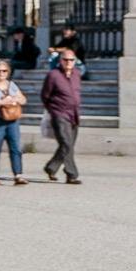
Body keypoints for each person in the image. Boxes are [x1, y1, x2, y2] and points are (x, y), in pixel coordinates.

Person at [40, 49, 83, 185]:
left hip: (74, 114)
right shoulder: (53, 75)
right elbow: (45, 95)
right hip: (59, 113)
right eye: (65, 60)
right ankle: (72, 174)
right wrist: (52, 110)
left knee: (69, 146)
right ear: (60, 61)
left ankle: (51, 167)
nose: (68, 62)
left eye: (71, 60)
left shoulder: (77, 74)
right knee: (66, 143)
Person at [0, 62, 27, 187]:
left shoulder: (12, 85)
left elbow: (23, 99)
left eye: (4, 71)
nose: (1, 73)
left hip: (12, 119)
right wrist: (1, 102)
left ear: (8, 72)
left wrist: (15, 99)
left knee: (16, 147)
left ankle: (18, 175)